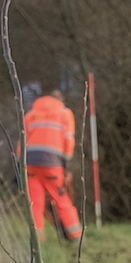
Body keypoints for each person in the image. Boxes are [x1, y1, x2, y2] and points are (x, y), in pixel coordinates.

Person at [22, 84, 81, 243]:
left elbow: (22, 142)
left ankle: (37, 239)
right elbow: (68, 140)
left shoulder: (30, 115)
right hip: (52, 163)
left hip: (30, 163)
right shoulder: (65, 113)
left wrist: (19, 165)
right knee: (61, 198)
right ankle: (75, 236)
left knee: (35, 201)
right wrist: (66, 162)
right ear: (60, 100)